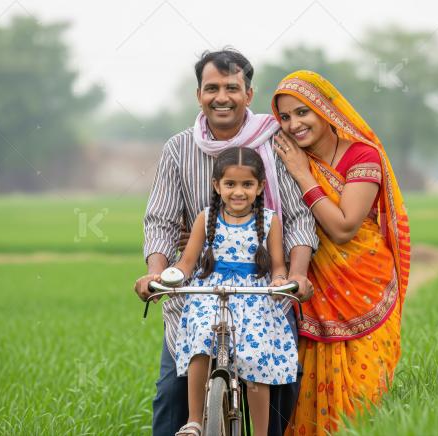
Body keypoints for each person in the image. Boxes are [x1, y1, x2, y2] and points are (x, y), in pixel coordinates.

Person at [133, 49, 318, 436]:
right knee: (171, 397)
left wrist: (295, 275)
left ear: (248, 94)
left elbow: (299, 218)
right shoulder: (177, 149)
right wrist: (156, 274)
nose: (222, 96)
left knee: (283, 382)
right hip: (199, 295)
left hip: (265, 291)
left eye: (232, 87)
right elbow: (161, 220)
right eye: (212, 87)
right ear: (198, 94)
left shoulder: (275, 143)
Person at [270, 70, 411, 434]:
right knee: (305, 408)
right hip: (313, 297)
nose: (294, 124)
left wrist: (304, 175)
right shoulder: (283, 156)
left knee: (362, 410)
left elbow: (345, 227)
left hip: (365, 290)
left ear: (324, 109)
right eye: (285, 117)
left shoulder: (363, 155)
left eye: (302, 112)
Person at [167, 147, 298, 436]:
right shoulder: (205, 219)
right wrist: (171, 277)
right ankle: (194, 421)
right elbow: (187, 262)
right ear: (217, 186)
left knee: (254, 357)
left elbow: (277, 265)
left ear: (260, 186)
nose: (238, 192)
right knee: (202, 336)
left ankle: (261, 433)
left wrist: (279, 281)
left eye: (247, 184)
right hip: (211, 294)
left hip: (253, 297)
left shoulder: (270, 220)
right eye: (230, 184)